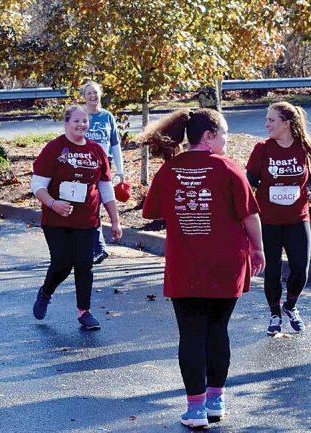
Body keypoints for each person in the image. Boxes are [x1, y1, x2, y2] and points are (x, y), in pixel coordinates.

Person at [141, 108, 265, 428]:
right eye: (224, 133)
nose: (227, 139)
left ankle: (196, 410)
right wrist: (258, 249)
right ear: (208, 136)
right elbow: (250, 215)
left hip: (186, 265)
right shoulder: (228, 168)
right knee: (217, 331)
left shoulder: (169, 170)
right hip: (227, 263)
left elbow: (150, 211)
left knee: (192, 336)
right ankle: (216, 401)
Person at [31, 105, 122, 330]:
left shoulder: (96, 151)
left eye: (85, 122)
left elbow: (106, 189)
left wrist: (115, 220)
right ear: (66, 123)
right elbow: (37, 185)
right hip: (56, 220)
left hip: (87, 220)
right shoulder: (54, 148)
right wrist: (53, 203)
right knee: (62, 262)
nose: (81, 125)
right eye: (76, 121)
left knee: (84, 264)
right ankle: (45, 292)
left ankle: (84, 312)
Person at [245, 101, 311, 335]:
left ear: (286, 123)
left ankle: (290, 307)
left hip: (298, 218)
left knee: (301, 269)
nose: (266, 124)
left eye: (271, 120)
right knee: (271, 270)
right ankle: (274, 314)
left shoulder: (304, 148)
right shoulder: (262, 148)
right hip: (268, 221)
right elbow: (249, 184)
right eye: (267, 119)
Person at [82, 80, 125, 264]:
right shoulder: (80, 116)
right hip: (84, 165)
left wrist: (120, 170)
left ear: (100, 94)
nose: (93, 96)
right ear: (84, 97)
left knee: (97, 204)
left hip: (103, 165)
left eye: (95, 92)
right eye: (89, 93)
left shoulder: (107, 117)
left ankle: (98, 248)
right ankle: (93, 247)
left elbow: (115, 144)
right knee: (89, 207)